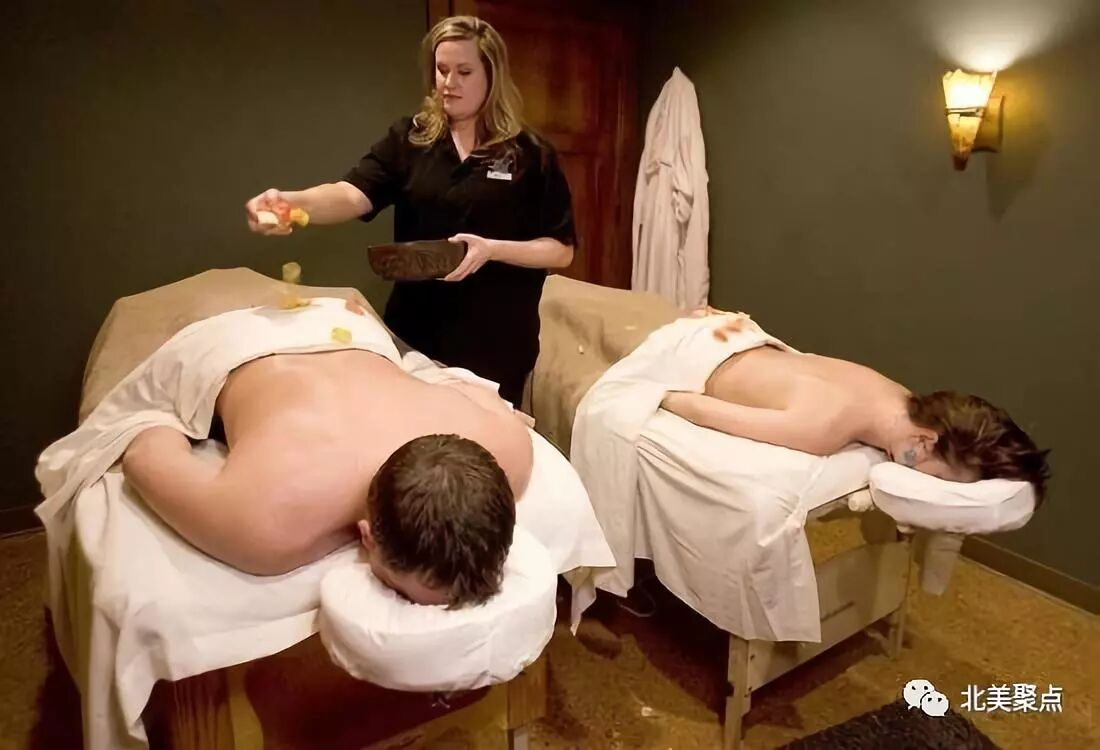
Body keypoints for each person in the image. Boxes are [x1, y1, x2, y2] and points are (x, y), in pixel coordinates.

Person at [244, 15, 576, 408]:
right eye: (442, 69)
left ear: (493, 77)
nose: (449, 82)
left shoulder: (531, 155)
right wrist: (292, 202)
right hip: (415, 334)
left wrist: (491, 249)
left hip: (496, 342)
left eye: (464, 72)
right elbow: (351, 194)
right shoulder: (410, 139)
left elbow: (560, 250)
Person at [122, 343, 534, 607]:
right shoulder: (266, 523)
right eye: (402, 594)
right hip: (236, 344)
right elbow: (145, 451)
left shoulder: (511, 452)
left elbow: (466, 388)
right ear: (367, 536)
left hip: (350, 329)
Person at [661, 310, 1051, 501]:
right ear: (925, 441)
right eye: (941, 480)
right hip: (686, 347)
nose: (934, 486)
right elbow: (699, 410)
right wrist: (653, 393)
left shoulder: (900, 397)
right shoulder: (823, 429)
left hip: (727, 329)